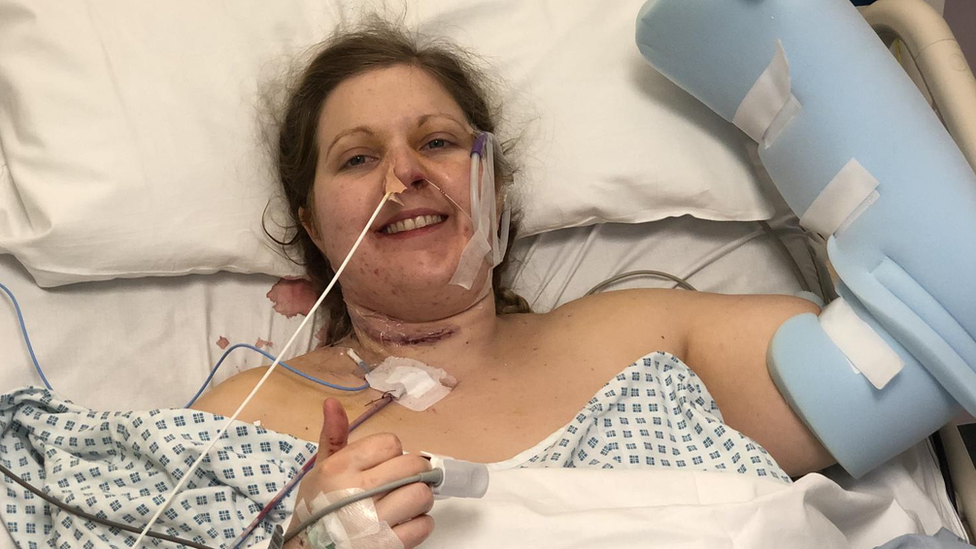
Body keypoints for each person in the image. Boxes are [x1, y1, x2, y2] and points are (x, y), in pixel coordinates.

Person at [192, 18, 833, 548]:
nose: (405, 172)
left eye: (438, 142)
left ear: (493, 192)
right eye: (358, 158)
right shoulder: (244, 422)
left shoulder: (651, 337)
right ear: (313, 223)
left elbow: (904, 357)